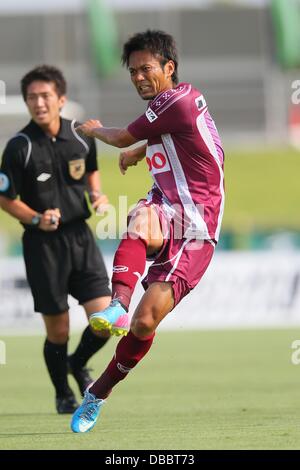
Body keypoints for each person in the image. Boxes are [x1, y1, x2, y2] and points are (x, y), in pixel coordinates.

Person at [70, 29, 225, 433]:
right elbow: (190, 140)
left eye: (147, 69)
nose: (139, 77)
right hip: (166, 207)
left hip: (196, 230)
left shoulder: (176, 101)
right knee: (139, 219)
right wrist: (143, 150)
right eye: (133, 71)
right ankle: (117, 303)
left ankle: (97, 394)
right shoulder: (177, 101)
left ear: (169, 68)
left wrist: (94, 130)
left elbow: (120, 136)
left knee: (145, 325)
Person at [0, 65, 113, 414]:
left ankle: (77, 363)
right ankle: (63, 393)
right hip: (42, 246)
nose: (39, 102)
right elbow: (4, 197)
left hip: (81, 237)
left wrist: (97, 195)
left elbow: (90, 170)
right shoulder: (20, 147)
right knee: (58, 329)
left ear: (61, 99)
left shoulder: (80, 136)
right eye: (32, 97)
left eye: (45, 95)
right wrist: (36, 218)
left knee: (106, 319)